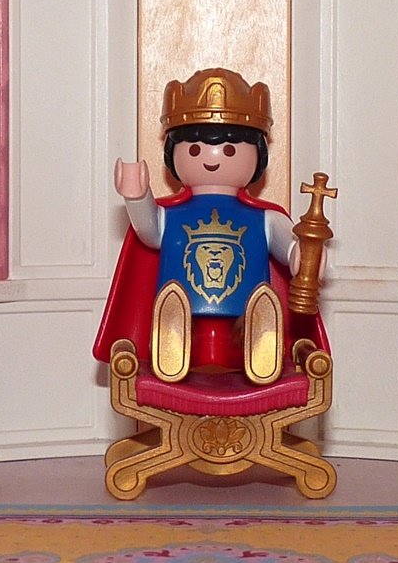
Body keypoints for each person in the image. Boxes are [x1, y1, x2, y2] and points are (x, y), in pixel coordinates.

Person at [94, 68, 327, 385]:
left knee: (262, 305)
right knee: (172, 303)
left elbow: (288, 248)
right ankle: (170, 348)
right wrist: (137, 198)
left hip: (248, 305)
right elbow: (149, 233)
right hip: (181, 299)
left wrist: (304, 255)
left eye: (230, 149)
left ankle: (262, 349)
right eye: (194, 149)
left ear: (258, 156)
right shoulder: (171, 214)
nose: (212, 157)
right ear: (172, 155)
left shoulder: (265, 218)